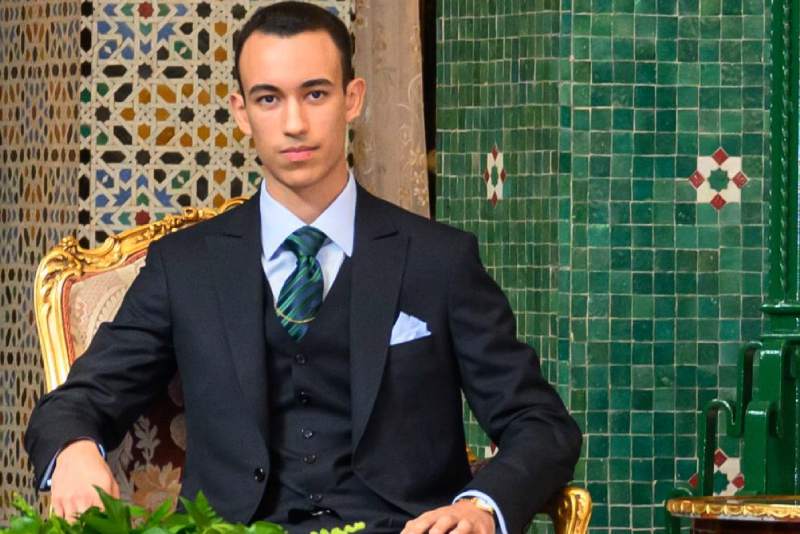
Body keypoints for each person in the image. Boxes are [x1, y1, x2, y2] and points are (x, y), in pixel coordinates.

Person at [24, 3, 582, 534]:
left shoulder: (439, 260)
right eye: (268, 99)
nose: (294, 123)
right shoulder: (185, 266)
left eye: (315, 94)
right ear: (241, 111)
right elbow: (76, 402)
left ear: (352, 98)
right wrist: (74, 451)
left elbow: (540, 423)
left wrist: (481, 507)